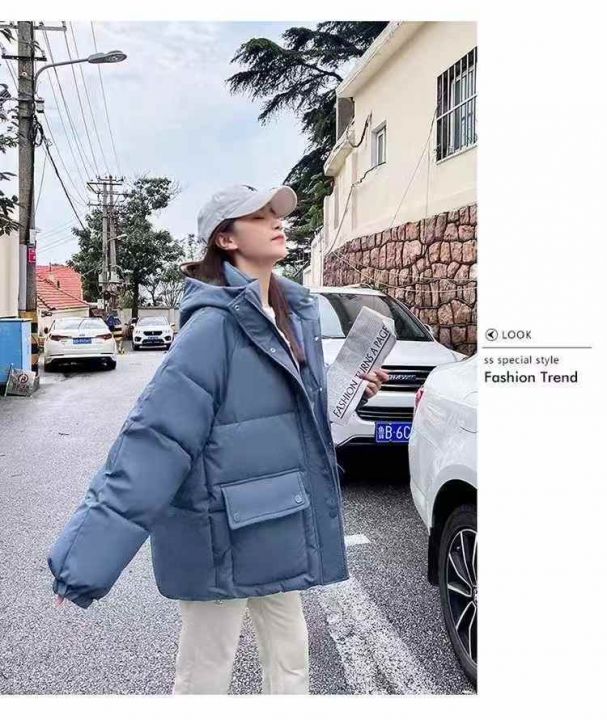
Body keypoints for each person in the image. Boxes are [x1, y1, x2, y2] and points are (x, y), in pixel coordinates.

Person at [48, 184, 389, 694]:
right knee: (206, 673)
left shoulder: (290, 316)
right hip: (219, 533)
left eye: (277, 214)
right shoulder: (212, 328)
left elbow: (285, 420)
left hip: (277, 522)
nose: (277, 222)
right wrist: (83, 561)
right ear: (226, 239)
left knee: (293, 661)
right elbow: (153, 442)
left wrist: (348, 388)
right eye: (260, 216)